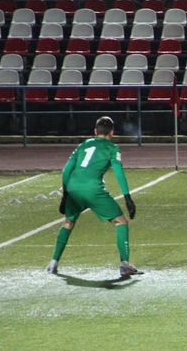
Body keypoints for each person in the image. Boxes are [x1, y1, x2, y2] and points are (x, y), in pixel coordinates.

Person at [47, 116, 140, 278]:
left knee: (68, 223)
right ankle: (125, 264)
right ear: (112, 132)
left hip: (73, 189)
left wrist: (65, 195)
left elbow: (66, 170)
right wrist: (127, 197)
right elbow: (118, 172)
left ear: (95, 131)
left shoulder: (83, 144)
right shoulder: (113, 148)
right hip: (94, 190)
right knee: (121, 222)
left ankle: (53, 263)